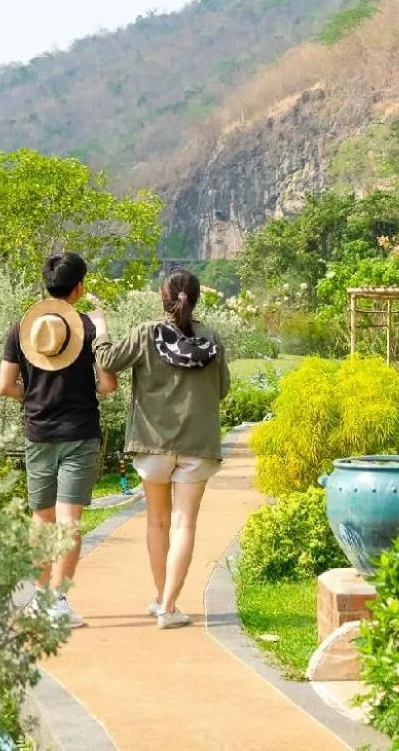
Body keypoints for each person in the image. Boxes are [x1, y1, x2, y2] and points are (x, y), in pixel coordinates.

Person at [91, 268, 229, 629]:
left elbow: (107, 360)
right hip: (198, 446)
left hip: (153, 445)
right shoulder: (211, 339)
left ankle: (160, 599)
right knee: (184, 525)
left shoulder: (146, 334)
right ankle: (168, 605)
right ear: (196, 298)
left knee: (157, 521)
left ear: (162, 298)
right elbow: (223, 389)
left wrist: (100, 327)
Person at [0, 252, 117, 628]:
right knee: (69, 521)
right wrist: (104, 331)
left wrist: (31, 398)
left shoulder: (23, 328)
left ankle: (38, 598)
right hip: (79, 434)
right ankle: (57, 600)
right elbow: (108, 385)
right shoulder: (88, 328)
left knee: (41, 519)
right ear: (78, 288)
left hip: (39, 433)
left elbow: (4, 386)